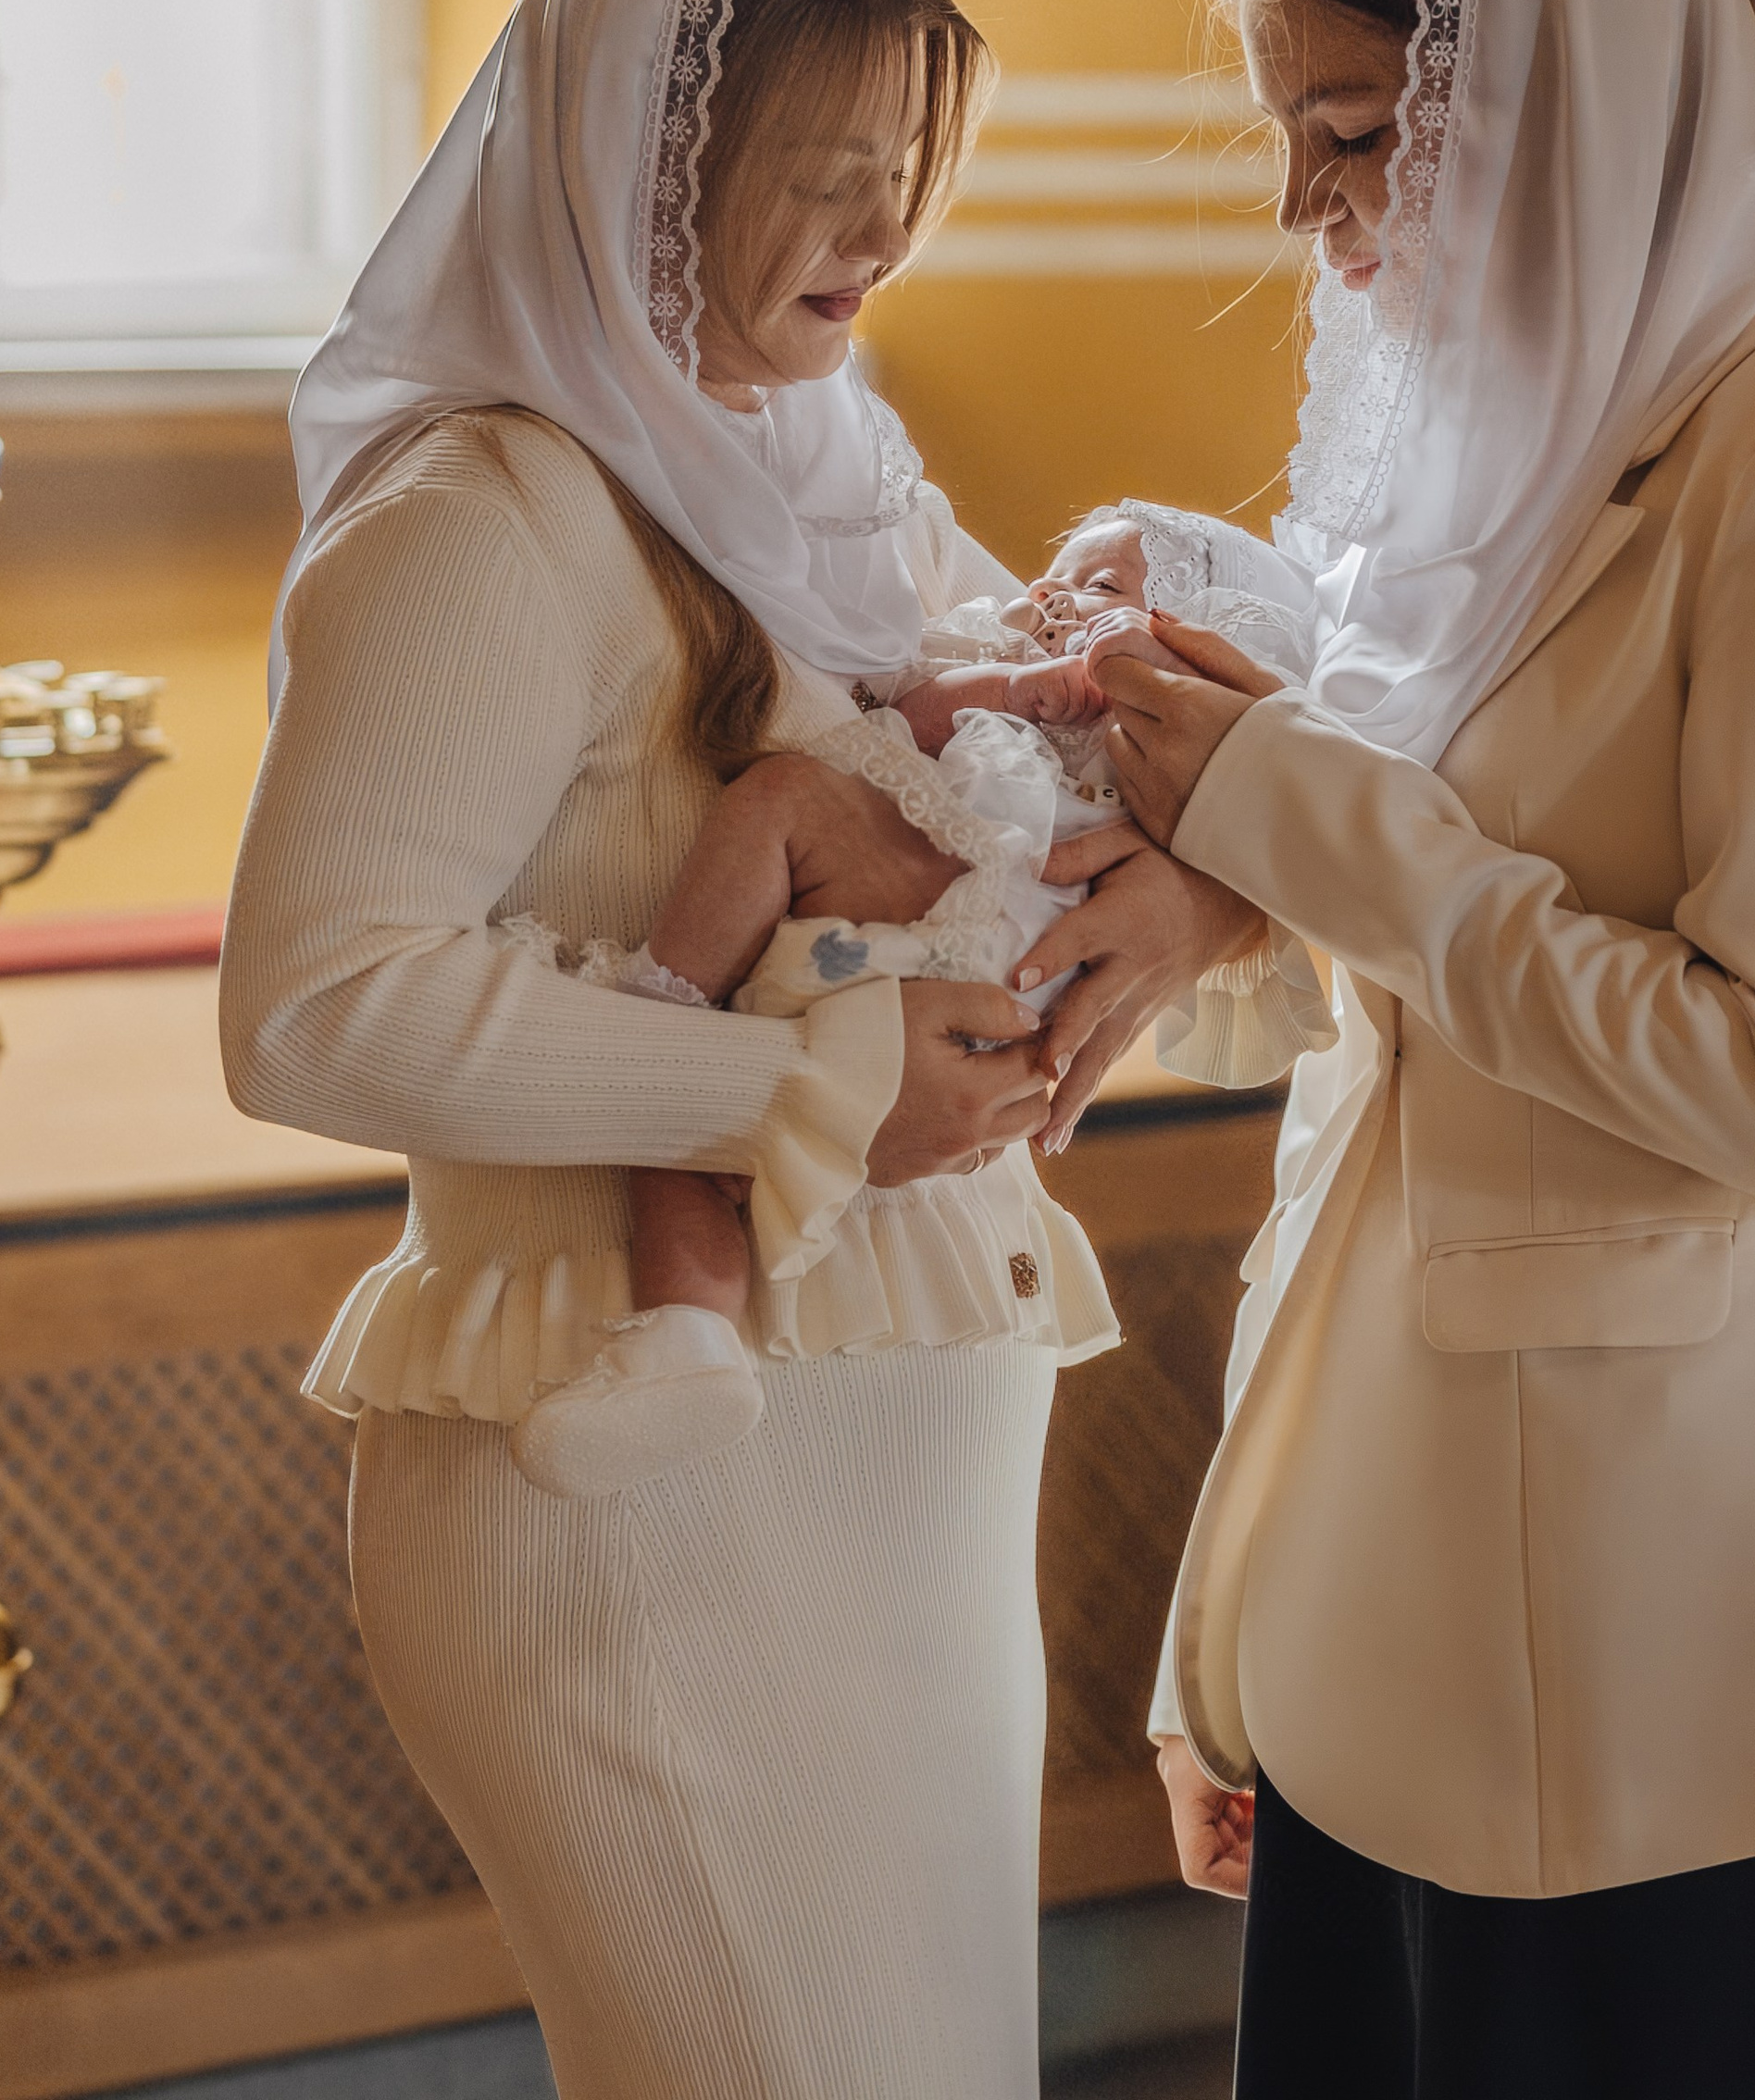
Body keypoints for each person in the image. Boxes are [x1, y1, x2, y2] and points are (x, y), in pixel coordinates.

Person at [219, 0, 1259, 2100]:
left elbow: (1021, 755)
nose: (880, 237)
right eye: (820, 177)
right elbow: (311, 1004)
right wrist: (786, 1097)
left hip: (891, 1464)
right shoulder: (484, 513)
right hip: (635, 1498)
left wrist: (1181, 913)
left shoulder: (829, 475)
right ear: (640, 166)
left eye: (904, 176)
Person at [1017, 0, 1755, 2099]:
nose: (1304, 208)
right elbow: (1396, 1057)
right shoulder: (1474, 472)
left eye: (1352, 130)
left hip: (1687, 1676)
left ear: (1553, 98)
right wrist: (1222, 1637)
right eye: (1288, 132)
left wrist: (1291, 809)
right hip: (1390, 1626)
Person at [512, 497, 1327, 1495]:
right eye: (1054, 571)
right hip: (865, 975)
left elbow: (1291, 835)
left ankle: (663, 997)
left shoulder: (1156, 741)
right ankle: (685, 1336)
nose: (1046, 594)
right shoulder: (1012, 662)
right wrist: (1025, 683)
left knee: (782, 804)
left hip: (980, 1009)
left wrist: (1198, 891)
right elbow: (918, 713)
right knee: (687, 1148)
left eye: (1102, 586)